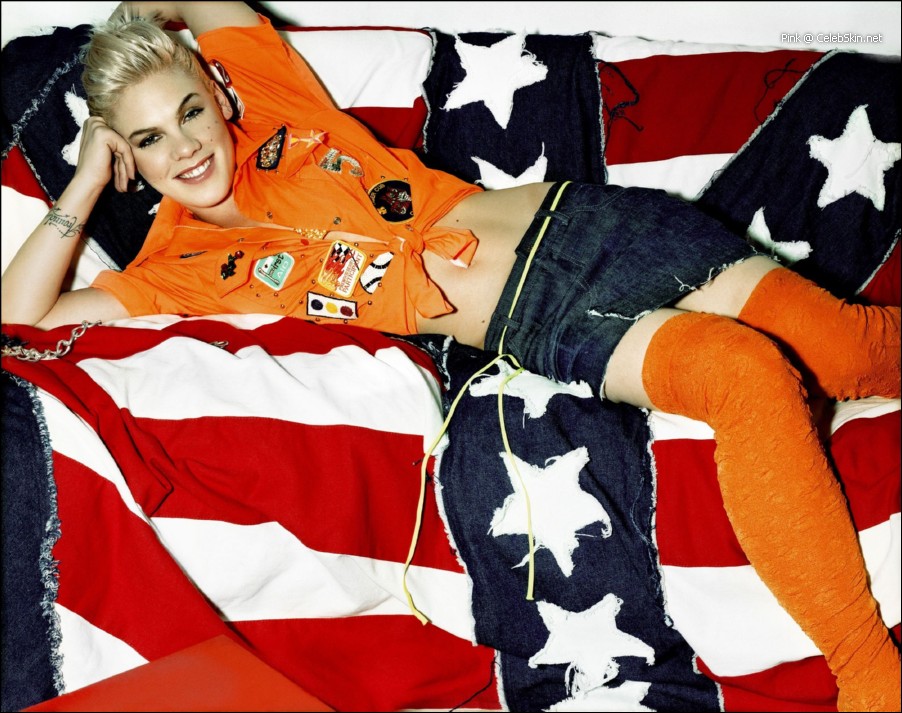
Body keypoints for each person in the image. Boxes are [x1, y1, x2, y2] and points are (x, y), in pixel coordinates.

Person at [1, 2, 899, 710]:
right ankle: (869, 673)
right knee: (745, 374)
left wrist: (123, 31)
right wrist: (86, 173)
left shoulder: (274, 97)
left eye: (189, 111)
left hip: (591, 224)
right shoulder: (172, 268)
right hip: (539, 321)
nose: (186, 146)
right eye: (149, 139)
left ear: (218, 93)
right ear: (129, 153)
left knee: (852, 351)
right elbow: (19, 316)